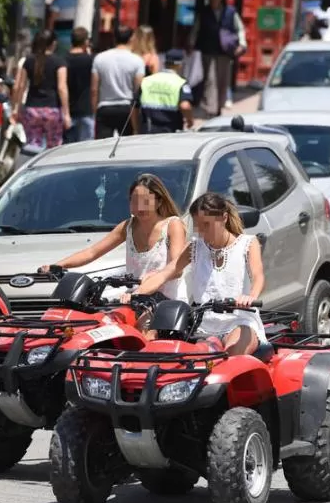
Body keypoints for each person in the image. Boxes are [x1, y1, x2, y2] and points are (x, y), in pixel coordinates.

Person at [40, 174, 188, 331]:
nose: (140, 206)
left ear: (158, 201)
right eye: (135, 200)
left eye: (146, 201)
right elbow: (92, 252)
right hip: (133, 299)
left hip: (166, 303)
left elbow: (176, 269)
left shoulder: (173, 225)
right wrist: (57, 265)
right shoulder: (127, 227)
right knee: (99, 324)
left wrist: (149, 283)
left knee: (141, 332)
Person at [135, 192, 266, 355]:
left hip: (239, 322)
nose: (202, 232)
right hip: (204, 325)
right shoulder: (196, 247)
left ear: (224, 218)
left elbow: (258, 275)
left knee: (231, 357)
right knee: (169, 352)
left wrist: (251, 296)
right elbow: (167, 272)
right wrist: (135, 294)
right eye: (198, 226)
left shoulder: (248, 243)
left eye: (207, 225)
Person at [189, 0, 246, 118]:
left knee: (222, 80)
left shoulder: (231, 12)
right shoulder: (204, 12)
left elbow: (240, 29)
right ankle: (211, 108)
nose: (214, 1)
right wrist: (191, 43)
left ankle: (219, 106)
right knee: (210, 79)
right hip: (208, 50)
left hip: (225, 52)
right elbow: (196, 28)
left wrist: (242, 44)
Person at [12, 29, 70, 149]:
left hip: (32, 109)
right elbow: (62, 87)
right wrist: (66, 113)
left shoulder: (28, 61)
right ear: (53, 44)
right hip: (52, 109)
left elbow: (19, 86)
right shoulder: (59, 62)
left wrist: (16, 109)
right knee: (54, 148)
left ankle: (33, 166)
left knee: (32, 145)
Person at [92, 26, 145, 138]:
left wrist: (94, 111)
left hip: (104, 107)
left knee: (101, 148)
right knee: (125, 148)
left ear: (114, 38)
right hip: (127, 108)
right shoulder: (137, 61)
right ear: (131, 39)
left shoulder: (100, 58)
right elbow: (138, 90)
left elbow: (94, 89)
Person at [138, 49, 195, 134]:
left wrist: (136, 128)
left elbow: (134, 107)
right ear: (180, 65)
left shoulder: (146, 81)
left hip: (147, 130)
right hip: (169, 131)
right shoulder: (180, 82)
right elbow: (185, 106)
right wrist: (190, 121)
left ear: (165, 63)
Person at [64, 26, 95, 144]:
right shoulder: (91, 60)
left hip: (68, 109)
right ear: (86, 42)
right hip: (86, 109)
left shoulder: (63, 59)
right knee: (85, 148)